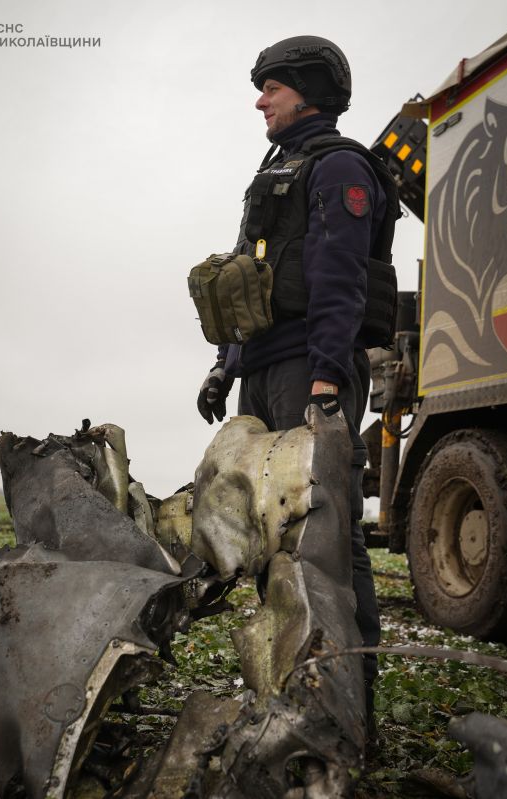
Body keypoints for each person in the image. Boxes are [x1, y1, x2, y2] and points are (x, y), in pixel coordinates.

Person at [197, 35, 399, 738]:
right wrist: (225, 365)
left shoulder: (340, 166)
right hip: (262, 372)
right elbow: (246, 279)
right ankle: (285, 686)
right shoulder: (276, 169)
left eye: (273, 87)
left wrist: (324, 381)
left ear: (309, 90)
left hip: (311, 374)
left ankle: (349, 702)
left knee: (329, 541)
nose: (261, 99)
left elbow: (340, 283)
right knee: (268, 537)